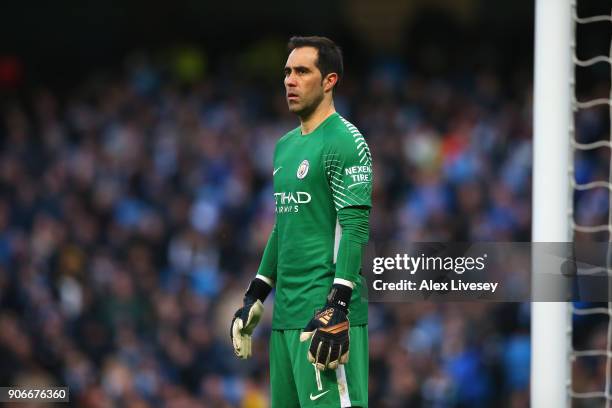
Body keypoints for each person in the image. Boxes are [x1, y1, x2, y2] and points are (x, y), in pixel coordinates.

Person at [231, 36, 372, 408]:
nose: (289, 80)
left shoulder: (346, 141)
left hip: (324, 319)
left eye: (302, 71)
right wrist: (256, 294)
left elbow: (354, 228)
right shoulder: (284, 146)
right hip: (286, 319)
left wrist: (338, 307)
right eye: (287, 72)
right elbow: (285, 224)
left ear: (330, 81)